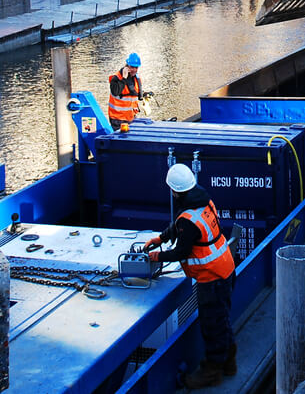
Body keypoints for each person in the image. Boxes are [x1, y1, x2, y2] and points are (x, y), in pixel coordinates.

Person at [145, 163, 237, 388]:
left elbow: (182, 251)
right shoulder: (203, 200)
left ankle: (212, 372)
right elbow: (182, 226)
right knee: (222, 319)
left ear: (174, 190)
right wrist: (161, 237)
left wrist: (155, 257)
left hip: (211, 277)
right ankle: (228, 363)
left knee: (212, 324)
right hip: (226, 268)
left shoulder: (188, 217)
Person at [107, 52, 144, 130]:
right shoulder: (116, 78)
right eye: (132, 67)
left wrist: (144, 94)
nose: (134, 70)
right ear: (127, 66)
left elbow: (134, 93)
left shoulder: (136, 78)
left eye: (136, 68)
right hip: (118, 118)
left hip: (130, 117)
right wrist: (124, 78)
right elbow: (115, 91)